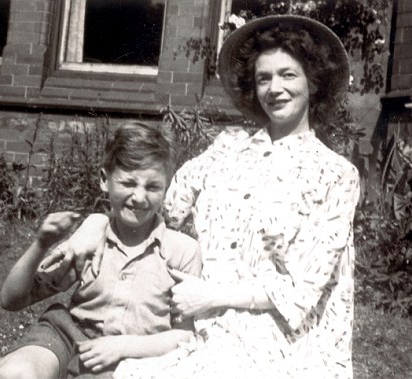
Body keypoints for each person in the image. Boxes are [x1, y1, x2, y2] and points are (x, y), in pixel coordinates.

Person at [113, 15, 361, 378]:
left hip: (286, 344)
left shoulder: (336, 174)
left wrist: (211, 295)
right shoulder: (225, 150)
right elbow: (163, 210)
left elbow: (300, 291)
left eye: (288, 75)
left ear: (313, 81)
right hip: (203, 323)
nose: (274, 88)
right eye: (264, 78)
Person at [0, 122, 202, 379]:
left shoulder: (182, 251)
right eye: (128, 183)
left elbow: (187, 335)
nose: (139, 197)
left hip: (135, 358)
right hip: (69, 336)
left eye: (152, 187)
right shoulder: (90, 237)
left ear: (165, 188)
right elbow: (12, 299)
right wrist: (41, 244)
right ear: (104, 180)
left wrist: (122, 347)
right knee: (15, 376)